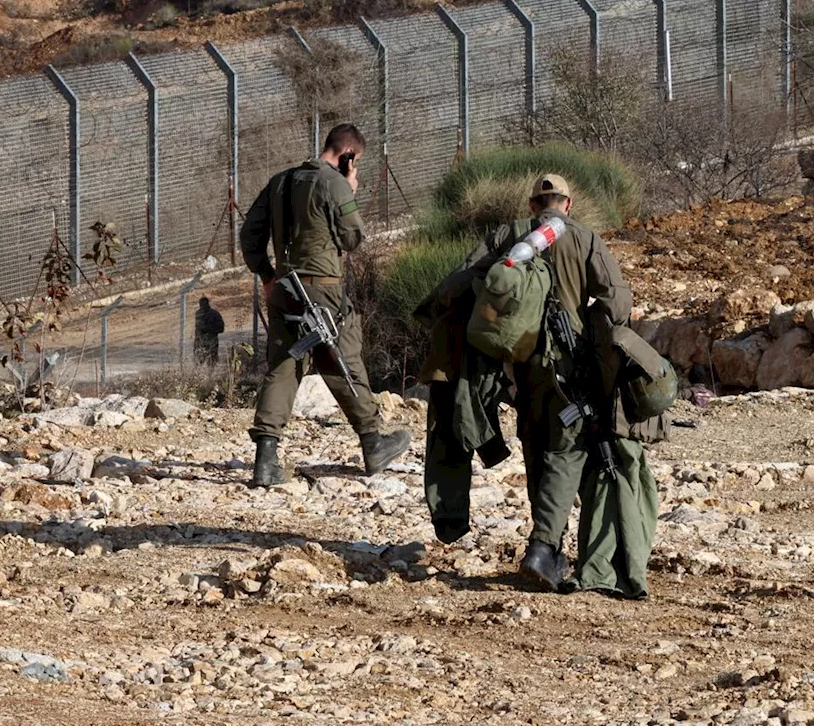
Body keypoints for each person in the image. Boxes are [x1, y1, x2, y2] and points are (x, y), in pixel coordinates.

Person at [429, 174, 633, 590]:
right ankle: (543, 547)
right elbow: (618, 301)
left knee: (536, 441)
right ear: (568, 205)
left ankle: (550, 549)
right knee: (566, 448)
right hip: (568, 365)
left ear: (531, 205)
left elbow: (455, 285)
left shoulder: (508, 235)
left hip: (522, 364)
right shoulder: (584, 237)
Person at [239, 123, 411, 488]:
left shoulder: (280, 182)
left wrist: (267, 274)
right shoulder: (333, 183)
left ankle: (265, 461)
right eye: (356, 160)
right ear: (348, 155)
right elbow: (352, 238)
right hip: (322, 289)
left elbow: (250, 234)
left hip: (286, 286)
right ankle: (372, 442)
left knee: (284, 365)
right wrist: (349, 189)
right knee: (342, 358)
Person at [193, 297, 225, 366]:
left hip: (208, 342)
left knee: (208, 363)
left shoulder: (212, 314)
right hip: (203, 342)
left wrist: (209, 330)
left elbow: (221, 328)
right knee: (202, 363)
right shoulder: (199, 314)